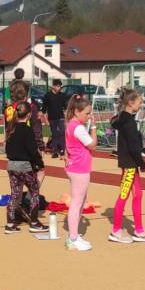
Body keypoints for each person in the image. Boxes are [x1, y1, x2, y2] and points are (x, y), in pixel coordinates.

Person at [108, 89, 145, 244]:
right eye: (140, 101)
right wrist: (143, 164)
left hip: (131, 164)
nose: (141, 104)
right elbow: (134, 148)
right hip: (129, 165)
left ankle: (139, 231)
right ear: (131, 103)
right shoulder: (129, 122)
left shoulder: (123, 118)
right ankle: (116, 230)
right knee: (124, 195)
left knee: (138, 195)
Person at [2, 101, 47, 233]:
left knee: (15, 194)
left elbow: (7, 150)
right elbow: (33, 150)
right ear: (28, 115)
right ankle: (34, 222)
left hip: (11, 165)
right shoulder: (27, 130)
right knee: (34, 192)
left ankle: (10, 224)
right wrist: (39, 164)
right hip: (24, 165)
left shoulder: (11, 129)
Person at [64, 95, 96, 251]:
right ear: (77, 111)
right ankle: (72, 238)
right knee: (77, 203)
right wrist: (94, 127)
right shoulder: (78, 127)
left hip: (75, 166)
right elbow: (92, 145)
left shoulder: (71, 124)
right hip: (79, 168)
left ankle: (74, 235)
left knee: (80, 202)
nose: (89, 116)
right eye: (87, 113)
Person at [43, 79, 67, 159]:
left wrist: (66, 118)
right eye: (57, 86)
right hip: (52, 119)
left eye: (60, 86)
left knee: (62, 132)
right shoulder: (47, 95)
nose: (59, 88)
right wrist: (46, 120)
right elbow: (44, 110)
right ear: (53, 86)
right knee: (54, 134)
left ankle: (62, 150)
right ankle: (55, 151)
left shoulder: (62, 95)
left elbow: (65, 108)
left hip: (60, 118)